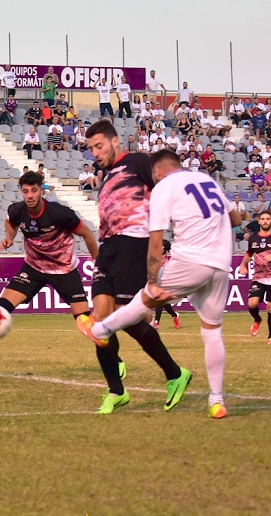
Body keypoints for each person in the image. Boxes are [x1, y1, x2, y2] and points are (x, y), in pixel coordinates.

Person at [78, 149, 238, 419]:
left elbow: (155, 239)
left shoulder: (165, 186)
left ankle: (101, 329)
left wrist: (152, 280)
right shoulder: (207, 180)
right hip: (222, 263)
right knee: (212, 332)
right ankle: (216, 400)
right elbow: (235, 219)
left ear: (158, 171)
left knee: (143, 298)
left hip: (190, 260)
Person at [77, 120, 192, 414]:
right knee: (100, 321)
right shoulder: (106, 176)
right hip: (109, 249)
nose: (95, 153)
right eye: (91, 149)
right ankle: (117, 391)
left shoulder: (139, 162)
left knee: (122, 318)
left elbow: (168, 190)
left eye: (99, 146)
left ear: (115, 142)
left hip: (135, 242)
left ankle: (174, 374)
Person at [0, 172, 101, 379]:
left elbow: (87, 234)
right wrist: (9, 238)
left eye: (34, 190)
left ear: (41, 190)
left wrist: (97, 262)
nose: (30, 195)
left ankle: (114, 360)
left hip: (63, 269)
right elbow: (10, 222)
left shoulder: (59, 213)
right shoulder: (17, 210)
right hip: (33, 268)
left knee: (84, 320)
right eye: (25, 191)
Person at [240, 210, 271, 340]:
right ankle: (257, 320)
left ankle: (270, 336)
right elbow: (249, 253)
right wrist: (243, 265)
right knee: (252, 304)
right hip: (259, 277)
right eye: (262, 219)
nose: (265, 221)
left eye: (268, 219)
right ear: (259, 221)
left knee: (270, 307)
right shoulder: (253, 238)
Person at [151, 239, 181, 330]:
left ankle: (156, 322)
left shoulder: (166, 256)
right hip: (156, 278)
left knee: (159, 300)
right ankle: (174, 316)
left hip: (165, 279)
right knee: (163, 302)